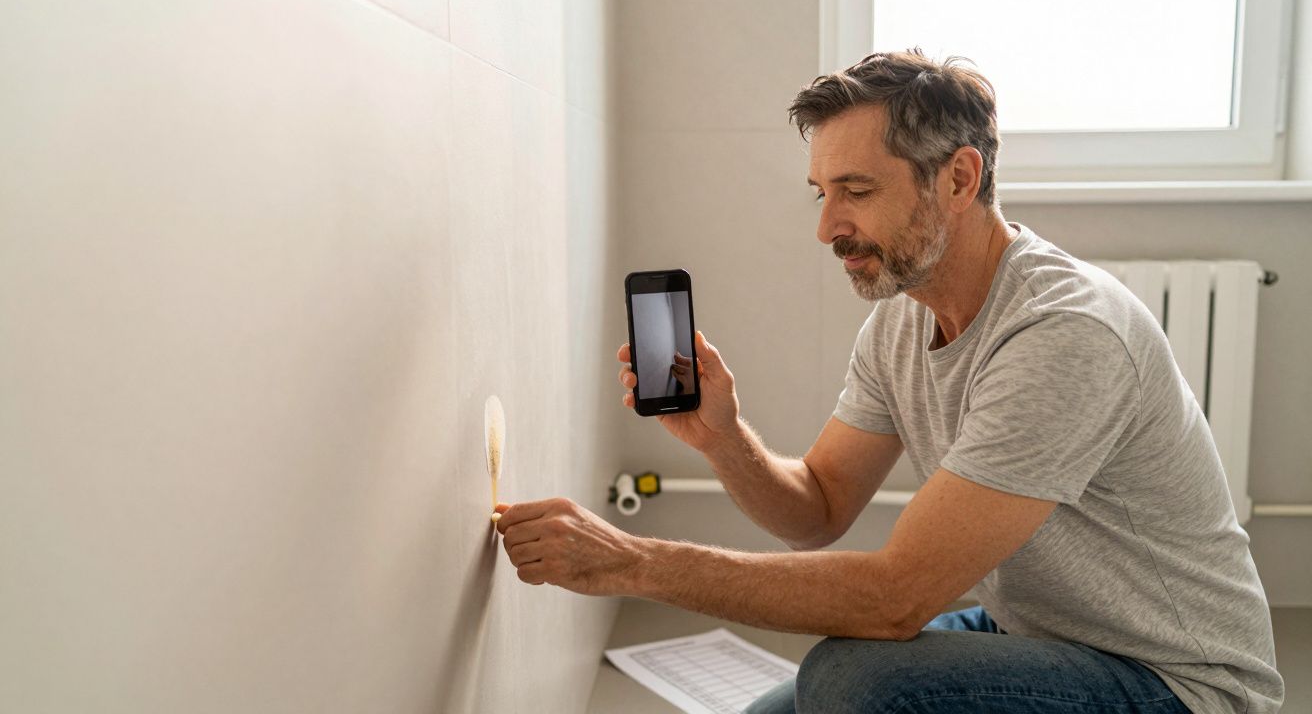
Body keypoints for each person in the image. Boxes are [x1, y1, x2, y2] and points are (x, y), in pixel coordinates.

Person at [493, 50, 1284, 713]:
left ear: (959, 180)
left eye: (857, 192)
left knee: (852, 681)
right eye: (823, 193)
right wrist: (724, 439)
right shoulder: (901, 321)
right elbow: (819, 511)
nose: (827, 227)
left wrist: (630, 562)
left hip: (1179, 682)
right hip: (1038, 635)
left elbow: (895, 597)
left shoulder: (1065, 331)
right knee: (784, 708)